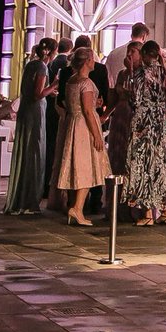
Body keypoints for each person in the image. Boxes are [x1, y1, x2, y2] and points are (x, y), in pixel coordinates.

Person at [54, 46, 111, 226]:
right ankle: (77, 208)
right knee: (86, 166)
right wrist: (97, 135)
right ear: (87, 61)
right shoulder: (85, 82)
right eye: (92, 59)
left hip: (73, 123)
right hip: (84, 126)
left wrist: (94, 102)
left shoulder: (71, 80)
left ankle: (74, 205)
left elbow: (74, 103)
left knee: (77, 165)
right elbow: (87, 110)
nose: (94, 62)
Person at [3, 38, 58, 216]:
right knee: (35, 152)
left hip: (26, 111)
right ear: (50, 52)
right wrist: (54, 85)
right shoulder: (41, 67)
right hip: (35, 113)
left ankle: (22, 196)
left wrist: (49, 90)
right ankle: (29, 200)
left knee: (27, 151)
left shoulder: (30, 65)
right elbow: (38, 94)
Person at [125, 40, 166, 226]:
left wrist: (131, 76)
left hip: (144, 122)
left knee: (144, 164)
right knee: (159, 165)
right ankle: (164, 211)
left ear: (145, 54)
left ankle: (147, 214)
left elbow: (135, 99)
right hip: (159, 122)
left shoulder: (140, 73)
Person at [104, 40, 141, 183]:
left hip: (133, 115)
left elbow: (137, 95)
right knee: (117, 152)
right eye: (128, 51)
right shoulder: (121, 74)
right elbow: (114, 97)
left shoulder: (142, 75)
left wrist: (131, 71)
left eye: (133, 52)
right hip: (120, 115)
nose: (129, 54)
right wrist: (105, 115)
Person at [43, 37, 72, 196]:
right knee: (56, 148)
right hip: (60, 110)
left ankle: (46, 183)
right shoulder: (66, 65)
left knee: (48, 147)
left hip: (48, 109)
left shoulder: (50, 63)